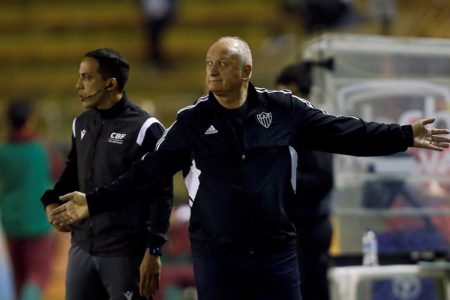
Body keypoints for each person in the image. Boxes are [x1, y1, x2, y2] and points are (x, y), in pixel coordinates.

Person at [49, 36, 450, 300]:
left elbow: (345, 132)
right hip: (217, 255)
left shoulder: (283, 109)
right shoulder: (191, 122)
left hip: (275, 253)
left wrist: (403, 135)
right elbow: (145, 173)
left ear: (246, 71)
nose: (212, 70)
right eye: (209, 63)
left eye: (222, 63)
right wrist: (94, 202)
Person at [40, 48, 173, 300]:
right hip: (82, 249)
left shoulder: (146, 128)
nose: (78, 85)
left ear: (110, 83)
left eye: (87, 77)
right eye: (79, 76)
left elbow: (161, 194)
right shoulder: (81, 124)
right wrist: (51, 203)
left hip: (125, 253)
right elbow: (71, 175)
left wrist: (153, 250)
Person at [275, 62, 334, 300]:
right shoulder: (286, 126)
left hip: (310, 227)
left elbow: (323, 178)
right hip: (293, 225)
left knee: (310, 287)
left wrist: (282, 177)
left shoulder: (311, 126)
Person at [0, 99, 54, 300]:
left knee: (18, 277)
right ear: (30, 120)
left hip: (11, 221)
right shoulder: (42, 149)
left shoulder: (3, 151)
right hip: (37, 222)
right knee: (37, 276)